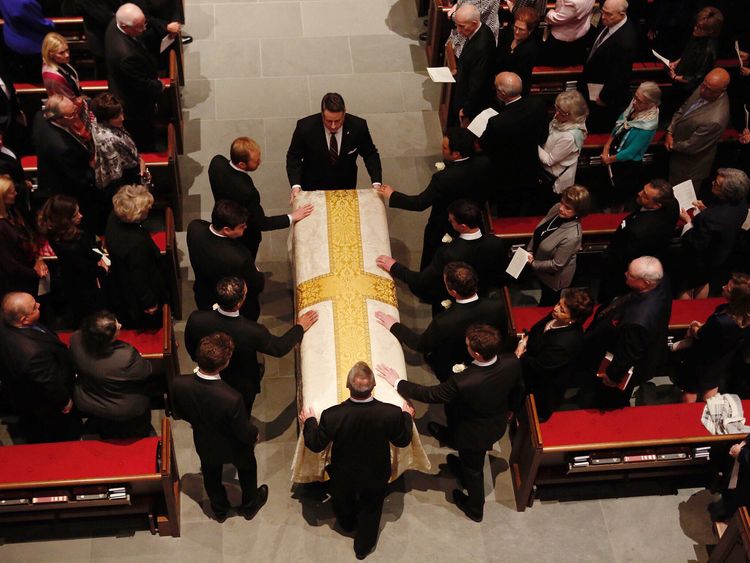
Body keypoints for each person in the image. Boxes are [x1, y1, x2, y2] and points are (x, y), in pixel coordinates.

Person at [378, 324, 522, 522]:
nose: (466, 347)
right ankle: (461, 462)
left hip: (474, 434)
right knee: (467, 458)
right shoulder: (512, 361)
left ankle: (475, 508)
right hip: (496, 422)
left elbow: (430, 394)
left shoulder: (465, 381)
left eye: (468, 345)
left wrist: (397, 382)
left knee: (474, 470)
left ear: (477, 354)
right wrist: (511, 411)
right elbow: (518, 389)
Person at [300, 361, 414, 559]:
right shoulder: (390, 413)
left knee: (343, 499)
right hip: (375, 472)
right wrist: (407, 417)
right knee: (372, 507)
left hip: (344, 473)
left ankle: (346, 523)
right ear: (374, 386)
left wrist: (309, 421)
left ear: (347, 385)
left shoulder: (332, 415)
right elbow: (403, 440)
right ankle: (363, 546)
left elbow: (315, 443)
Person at [184, 277, 318, 415]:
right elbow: (279, 347)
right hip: (241, 380)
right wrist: (300, 327)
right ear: (239, 304)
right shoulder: (252, 331)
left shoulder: (196, 319)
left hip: (208, 371)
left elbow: (191, 347)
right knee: (241, 411)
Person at [172, 332, 268, 523]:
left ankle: (220, 509)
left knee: (210, 474)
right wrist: (254, 434)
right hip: (235, 447)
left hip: (205, 441)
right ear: (225, 363)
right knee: (247, 469)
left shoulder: (178, 383)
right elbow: (242, 430)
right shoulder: (232, 398)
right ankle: (249, 506)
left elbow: (178, 413)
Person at [376, 127, 492, 269]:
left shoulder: (443, 178)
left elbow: (420, 203)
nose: (441, 149)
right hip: (472, 217)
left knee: (432, 258)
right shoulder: (485, 163)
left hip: (443, 224)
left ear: (456, 154)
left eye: (444, 147)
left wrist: (392, 195)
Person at [375, 262, 508, 381]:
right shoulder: (498, 306)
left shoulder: (444, 321)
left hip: (452, 364)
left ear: (453, 292)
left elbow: (421, 345)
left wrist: (394, 326)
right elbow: (501, 335)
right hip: (487, 357)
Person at [376, 199, 508, 313]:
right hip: (482, 296)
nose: (449, 221)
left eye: (452, 221)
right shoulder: (496, 243)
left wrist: (394, 266)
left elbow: (421, 281)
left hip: (452, 300)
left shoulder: (449, 253)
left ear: (462, 226)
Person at [581, 256, 672, 409]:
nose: (625, 274)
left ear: (645, 283)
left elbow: (627, 355)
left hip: (620, 361)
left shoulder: (638, 321)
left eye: (630, 275)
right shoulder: (661, 283)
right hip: (643, 341)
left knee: (610, 398)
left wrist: (612, 376)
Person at [209, 137, 313, 261]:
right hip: (245, 237)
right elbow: (261, 222)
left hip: (222, 214)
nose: (260, 161)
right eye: (256, 161)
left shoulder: (217, 162)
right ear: (242, 164)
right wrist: (292, 217)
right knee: (245, 262)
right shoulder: (247, 192)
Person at [0, 292, 80, 443]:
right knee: (57, 431)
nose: (39, 305)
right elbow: (49, 384)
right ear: (24, 319)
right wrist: (65, 401)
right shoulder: (33, 354)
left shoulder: (6, 320)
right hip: (45, 404)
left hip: (18, 388)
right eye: (34, 307)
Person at [70, 310, 154, 438]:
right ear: (107, 339)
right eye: (116, 327)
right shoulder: (126, 356)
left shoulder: (76, 339)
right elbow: (146, 370)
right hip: (124, 408)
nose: (119, 325)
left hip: (90, 400)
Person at [515, 288, 593, 421]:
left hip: (544, 384)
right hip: (530, 364)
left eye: (562, 310)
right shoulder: (555, 316)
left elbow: (540, 367)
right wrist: (524, 341)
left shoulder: (566, 342)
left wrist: (520, 354)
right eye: (558, 304)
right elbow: (536, 330)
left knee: (530, 412)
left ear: (573, 319)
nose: (556, 309)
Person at [597, 179, 678, 305]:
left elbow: (622, 257)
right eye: (643, 190)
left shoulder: (640, 231)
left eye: (645, 195)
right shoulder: (672, 203)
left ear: (657, 205)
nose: (639, 193)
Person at [672, 273, 750, 403]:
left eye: (728, 288)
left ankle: (687, 414)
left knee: (690, 390)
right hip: (722, 360)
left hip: (702, 359)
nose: (723, 286)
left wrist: (694, 327)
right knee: (711, 386)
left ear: (735, 297)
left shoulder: (720, 320)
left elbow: (701, 335)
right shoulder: (744, 319)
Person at [479, 72, 548, 215]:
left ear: (502, 93)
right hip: (531, 166)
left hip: (506, 172)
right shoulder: (538, 104)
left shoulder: (497, 122)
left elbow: (486, 145)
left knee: (507, 207)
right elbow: (543, 133)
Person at [286, 93, 381, 195]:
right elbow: (294, 157)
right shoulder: (305, 127)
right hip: (313, 187)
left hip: (345, 187)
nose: (333, 126)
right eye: (328, 121)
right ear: (322, 114)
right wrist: (296, 186)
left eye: (338, 121)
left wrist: (376, 182)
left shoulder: (358, 126)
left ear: (344, 113)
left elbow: (370, 154)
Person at [186, 200, 265, 321]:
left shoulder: (194, 227)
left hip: (204, 293)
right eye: (242, 226)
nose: (246, 227)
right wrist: (256, 271)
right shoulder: (239, 258)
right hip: (232, 304)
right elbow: (257, 284)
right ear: (227, 230)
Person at [676, 168, 750, 299]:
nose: (712, 183)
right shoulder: (741, 203)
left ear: (727, 191)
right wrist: (705, 210)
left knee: (685, 286)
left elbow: (695, 242)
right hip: (720, 253)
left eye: (716, 183)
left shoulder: (710, 218)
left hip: (700, 259)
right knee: (703, 281)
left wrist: (688, 221)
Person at [37, 195, 108, 327]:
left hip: (73, 277)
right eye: (75, 214)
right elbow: (85, 269)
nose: (81, 215)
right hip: (82, 285)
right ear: (65, 220)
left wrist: (97, 258)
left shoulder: (58, 233)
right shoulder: (70, 245)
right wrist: (102, 269)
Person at [32, 94, 98, 230]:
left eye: (75, 110)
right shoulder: (62, 147)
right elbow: (80, 179)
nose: (76, 115)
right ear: (57, 118)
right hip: (66, 188)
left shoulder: (40, 116)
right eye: (71, 114)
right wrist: (92, 167)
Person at [105, 184, 167, 328]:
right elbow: (139, 277)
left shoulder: (114, 216)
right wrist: (150, 301)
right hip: (137, 287)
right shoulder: (136, 245)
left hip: (121, 275)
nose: (150, 209)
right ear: (136, 214)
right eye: (146, 208)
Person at [105, 3, 164, 151]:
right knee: (143, 134)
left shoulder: (115, 23)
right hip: (134, 103)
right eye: (139, 27)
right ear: (124, 26)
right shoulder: (126, 55)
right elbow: (141, 84)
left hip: (129, 81)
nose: (144, 29)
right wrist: (159, 86)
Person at [600, 82, 662, 211]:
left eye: (639, 101)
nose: (634, 103)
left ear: (651, 104)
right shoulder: (634, 106)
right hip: (615, 154)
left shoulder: (648, 125)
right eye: (635, 97)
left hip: (627, 165)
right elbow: (620, 122)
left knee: (619, 194)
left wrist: (609, 159)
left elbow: (631, 152)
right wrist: (607, 146)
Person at [578, 0, 638, 133]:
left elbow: (620, 75)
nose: (603, 16)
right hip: (591, 83)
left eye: (608, 14)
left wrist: (604, 97)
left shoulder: (625, 41)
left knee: (596, 123)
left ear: (622, 14)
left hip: (603, 95)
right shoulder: (609, 21)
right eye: (603, 12)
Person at [665, 68, 731, 190]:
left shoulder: (715, 120)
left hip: (689, 167)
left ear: (721, 91)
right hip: (677, 154)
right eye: (703, 85)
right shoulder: (706, 88)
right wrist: (670, 131)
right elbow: (683, 109)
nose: (702, 90)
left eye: (708, 89)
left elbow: (692, 146)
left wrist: (672, 144)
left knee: (682, 201)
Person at [525, 186, 591, 306]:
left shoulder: (573, 235)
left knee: (547, 303)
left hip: (553, 279)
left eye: (568, 208)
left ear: (578, 212)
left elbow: (557, 265)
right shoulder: (556, 208)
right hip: (540, 265)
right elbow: (540, 231)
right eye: (562, 203)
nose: (561, 208)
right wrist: (529, 250)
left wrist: (533, 263)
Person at [536, 90, 588, 210]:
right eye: (556, 107)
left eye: (561, 111)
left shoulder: (569, 137)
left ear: (571, 115)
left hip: (553, 178)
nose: (556, 113)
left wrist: (533, 143)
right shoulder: (563, 118)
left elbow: (549, 160)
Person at [90, 92, 149, 196]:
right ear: (105, 119)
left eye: (122, 112)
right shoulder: (107, 141)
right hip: (126, 187)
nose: (122, 118)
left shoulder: (111, 124)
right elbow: (117, 177)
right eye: (117, 116)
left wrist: (140, 160)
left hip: (134, 169)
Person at [450, 4, 497, 126]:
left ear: (475, 23)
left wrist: (466, 110)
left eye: (461, 26)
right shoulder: (480, 30)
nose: (458, 30)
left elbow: (477, 83)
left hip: (470, 100)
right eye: (457, 25)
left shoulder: (482, 46)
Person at [0, 175, 46, 298]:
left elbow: (29, 236)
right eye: (11, 192)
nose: (16, 193)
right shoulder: (1, 226)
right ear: (2, 196)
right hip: (15, 282)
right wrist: (34, 273)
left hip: (29, 268)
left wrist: (38, 259)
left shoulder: (13, 212)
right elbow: (9, 264)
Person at [666, 7, 723, 106]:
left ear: (711, 31)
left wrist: (675, 77)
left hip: (689, 91)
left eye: (700, 28)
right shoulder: (698, 35)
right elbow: (687, 53)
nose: (695, 28)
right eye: (696, 25)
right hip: (679, 79)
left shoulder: (709, 51)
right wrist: (677, 62)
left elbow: (697, 78)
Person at [0, 0, 54, 83]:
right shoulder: (25, 2)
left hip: (11, 39)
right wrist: (51, 24)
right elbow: (40, 24)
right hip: (30, 46)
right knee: (36, 78)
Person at [495, 8, 540, 96]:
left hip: (513, 90)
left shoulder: (530, 50)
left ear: (530, 31)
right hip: (499, 83)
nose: (517, 31)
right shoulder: (508, 34)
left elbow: (519, 76)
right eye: (515, 27)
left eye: (521, 29)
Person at [543, 0, 595, 66]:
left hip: (564, 38)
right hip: (580, 28)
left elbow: (557, 19)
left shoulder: (572, 2)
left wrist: (548, 13)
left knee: (558, 62)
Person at [41, 32, 82, 99]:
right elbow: (68, 103)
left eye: (67, 50)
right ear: (51, 54)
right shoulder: (53, 77)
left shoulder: (58, 62)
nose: (67, 55)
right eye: (61, 53)